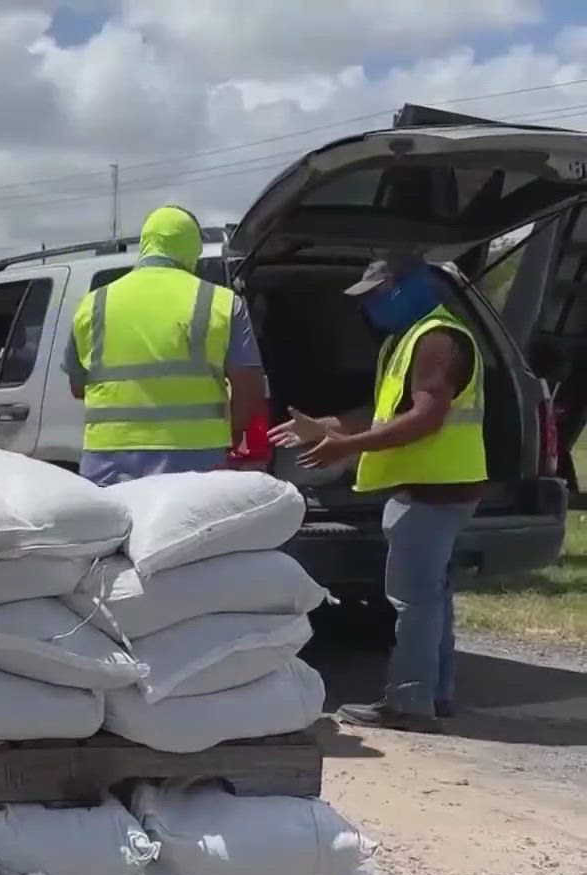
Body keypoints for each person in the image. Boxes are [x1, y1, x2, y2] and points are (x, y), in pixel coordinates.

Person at [269, 253, 488, 732]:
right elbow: (385, 412)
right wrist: (323, 427)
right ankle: (436, 694)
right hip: (434, 486)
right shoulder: (410, 339)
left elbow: (425, 417)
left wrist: (345, 446)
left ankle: (409, 704)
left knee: (414, 601)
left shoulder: (436, 340)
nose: (368, 307)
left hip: (435, 488)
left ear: (406, 288)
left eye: (375, 295)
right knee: (431, 597)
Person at [65, 205, 269, 485]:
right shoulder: (221, 302)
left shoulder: (93, 303)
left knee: (116, 529)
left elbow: (78, 387)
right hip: (197, 458)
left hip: (107, 460)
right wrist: (232, 436)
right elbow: (249, 390)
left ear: (146, 244)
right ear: (193, 248)